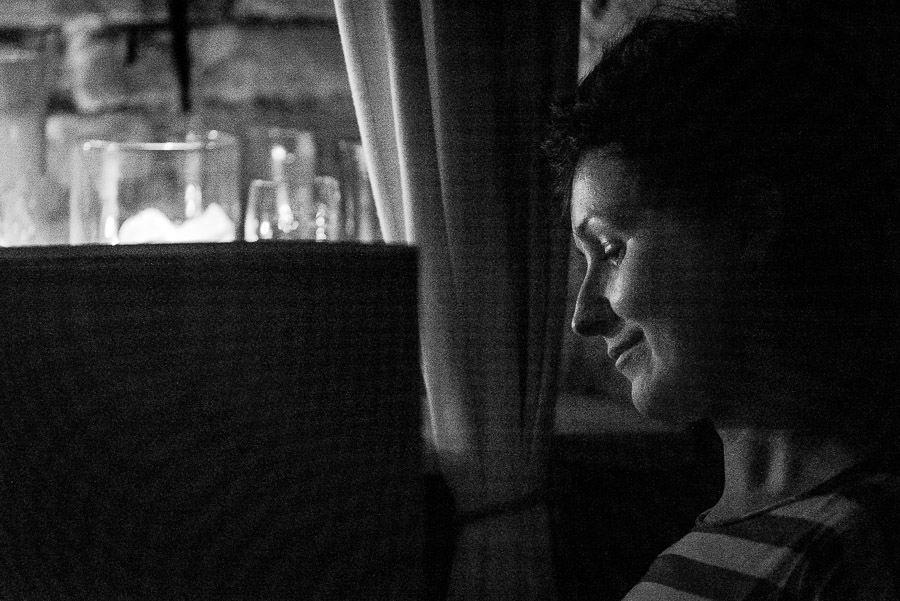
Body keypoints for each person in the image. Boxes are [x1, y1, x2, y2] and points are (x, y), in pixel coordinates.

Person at [544, 10, 900, 601]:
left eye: (610, 249)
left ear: (747, 224)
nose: (584, 316)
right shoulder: (735, 540)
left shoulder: (855, 552)